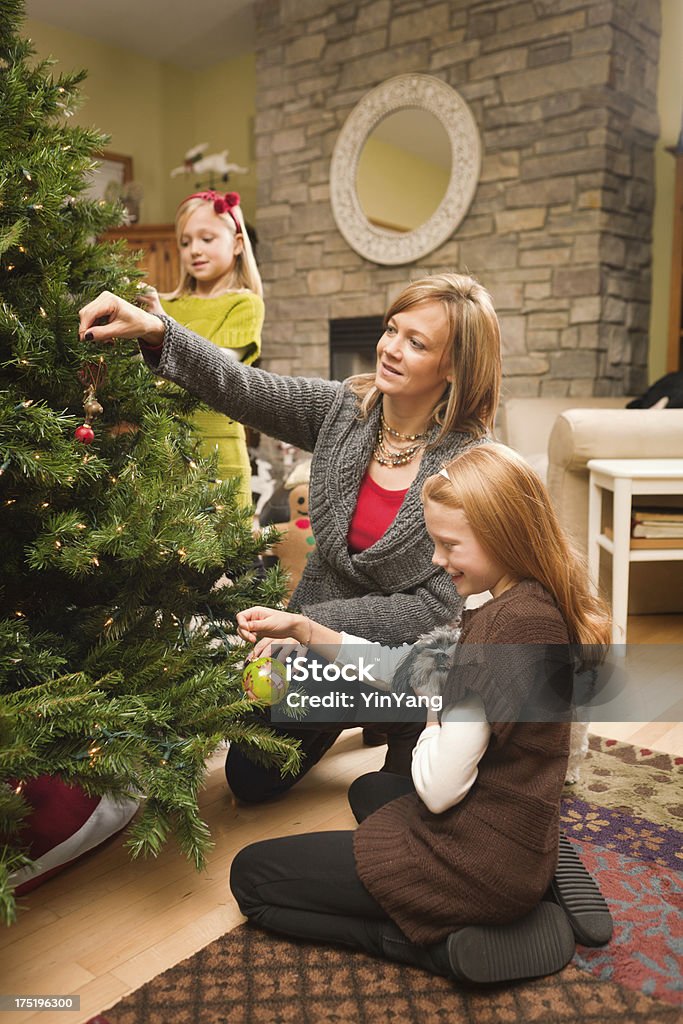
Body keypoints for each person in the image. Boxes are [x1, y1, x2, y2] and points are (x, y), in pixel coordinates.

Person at [78, 273, 501, 796]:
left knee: (398, 800)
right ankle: (353, 711)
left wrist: (305, 624)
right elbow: (247, 390)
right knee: (250, 778)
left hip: (402, 661)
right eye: (392, 329)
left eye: (416, 343)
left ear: (455, 365)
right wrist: (156, 329)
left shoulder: (470, 464)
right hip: (314, 644)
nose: (390, 349)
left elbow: (434, 610)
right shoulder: (345, 410)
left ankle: (398, 717)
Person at [229, 443, 613, 986]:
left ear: (503, 534)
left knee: (253, 879)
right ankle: (541, 857)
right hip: (510, 827)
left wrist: (436, 707)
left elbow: (438, 790)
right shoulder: (526, 602)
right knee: (369, 792)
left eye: (448, 545)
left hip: (476, 868)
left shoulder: (504, 631)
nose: (436, 560)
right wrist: (305, 631)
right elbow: (404, 667)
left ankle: (449, 946)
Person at [144, 190, 264, 506]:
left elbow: (221, 366)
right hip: (163, 451)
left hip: (219, 454)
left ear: (237, 244)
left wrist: (160, 329)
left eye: (207, 239)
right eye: (185, 242)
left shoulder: (244, 303)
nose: (194, 250)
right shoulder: (164, 305)